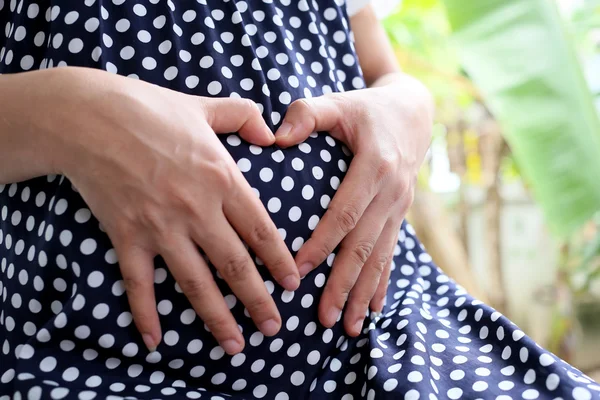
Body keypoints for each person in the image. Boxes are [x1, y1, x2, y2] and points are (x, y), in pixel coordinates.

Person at [0, 0, 597, 399]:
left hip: (390, 331)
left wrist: (406, 113)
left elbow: (385, 72)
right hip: (77, 357)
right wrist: (73, 114)